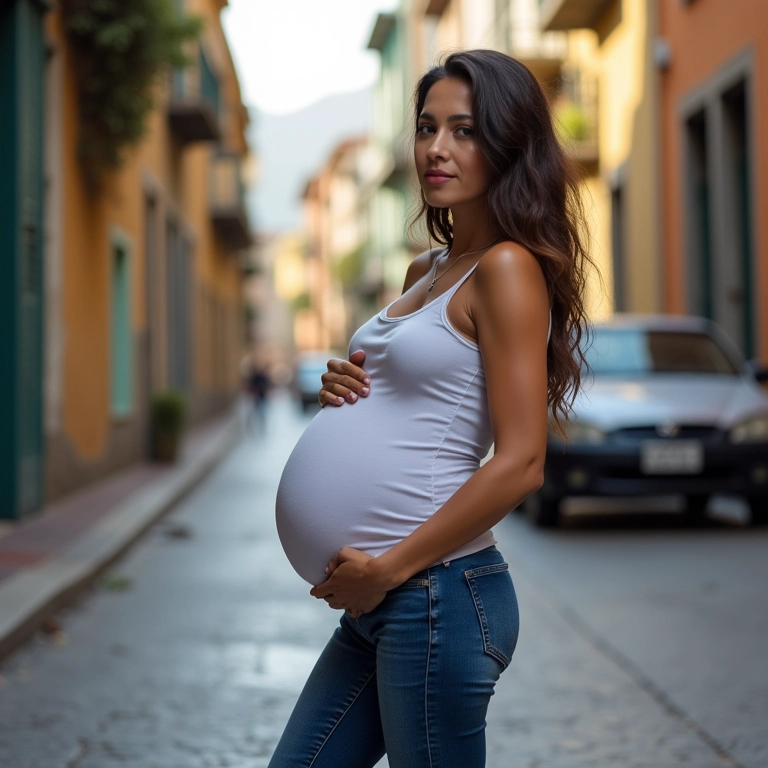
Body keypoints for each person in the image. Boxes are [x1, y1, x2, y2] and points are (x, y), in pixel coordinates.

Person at [271, 49, 593, 768]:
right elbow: (419, 390)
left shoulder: (508, 269)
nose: (436, 149)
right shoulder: (429, 268)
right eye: (426, 127)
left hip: (434, 595)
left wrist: (386, 572)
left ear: (508, 144)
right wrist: (342, 386)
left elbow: (521, 462)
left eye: (465, 130)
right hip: (385, 600)